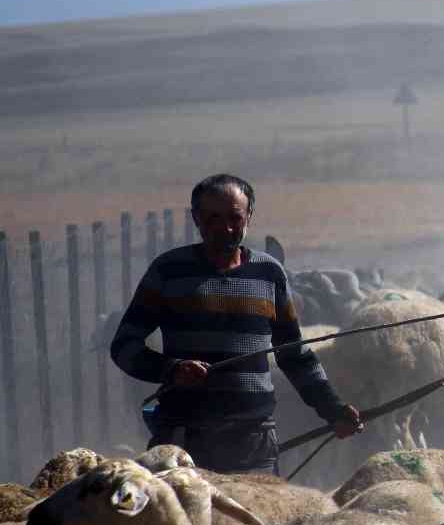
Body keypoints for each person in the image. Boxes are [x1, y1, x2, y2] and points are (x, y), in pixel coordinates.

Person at [110, 173, 362, 474]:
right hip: (185, 441)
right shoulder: (168, 271)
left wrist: (333, 410)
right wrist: (171, 369)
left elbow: (294, 355)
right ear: (196, 218)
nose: (224, 228)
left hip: (254, 441)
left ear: (249, 217)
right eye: (212, 218)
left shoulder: (269, 273)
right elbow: (124, 345)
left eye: (235, 218)